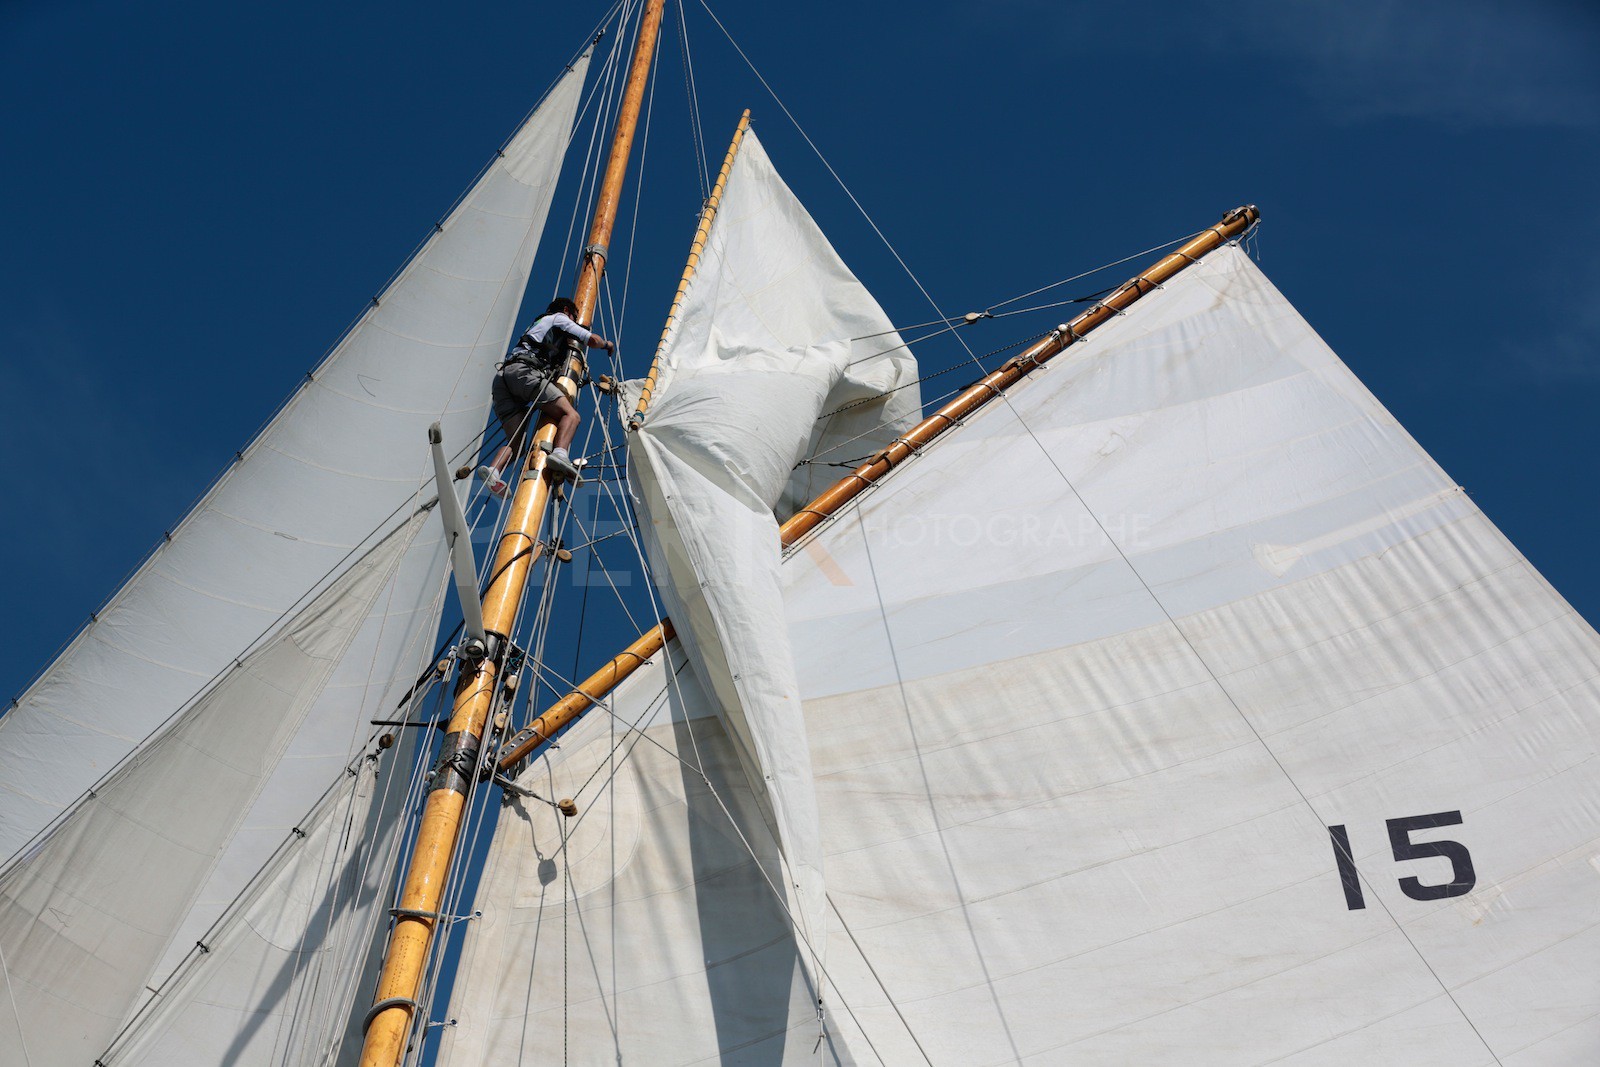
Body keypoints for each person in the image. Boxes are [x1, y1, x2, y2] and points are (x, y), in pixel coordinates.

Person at [477, 297, 614, 496]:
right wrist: (606, 344)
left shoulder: (539, 324)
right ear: (566, 311)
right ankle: (560, 454)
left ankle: (493, 472)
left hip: (504, 378)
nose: (572, 321)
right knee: (571, 415)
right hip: (525, 373)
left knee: (516, 443)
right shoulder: (559, 318)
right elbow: (592, 340)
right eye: (573, 317)